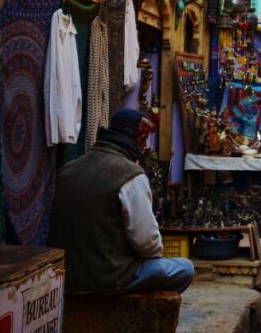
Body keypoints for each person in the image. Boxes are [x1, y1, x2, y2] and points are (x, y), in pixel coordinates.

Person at [49, 109, 194, 295]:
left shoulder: (68, 169)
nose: (145, 148)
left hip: (66, 276)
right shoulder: (131, 175)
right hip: (107, 278)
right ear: (138, 141)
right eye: (144, 142)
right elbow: (149, 245)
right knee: (184, 268)